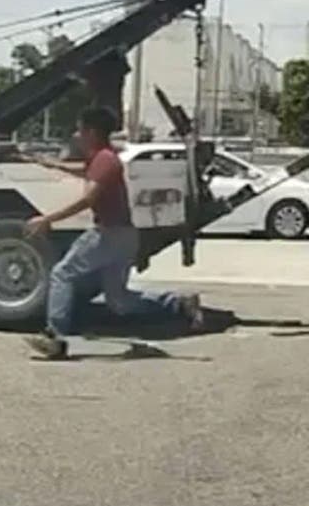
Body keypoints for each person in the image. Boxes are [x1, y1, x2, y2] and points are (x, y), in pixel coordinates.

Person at [23, 106, 203, 360]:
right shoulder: (102, 158)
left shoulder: (104, 160)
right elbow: (86, 171)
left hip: (108, 233)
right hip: (125, 235)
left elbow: (88, 199)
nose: (77, 134)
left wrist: (47, 219)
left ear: (92, 132)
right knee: (118, 301)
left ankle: (56, 336)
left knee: (62, 274)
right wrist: (50, 164)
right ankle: (178, 303)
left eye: (81, 129)